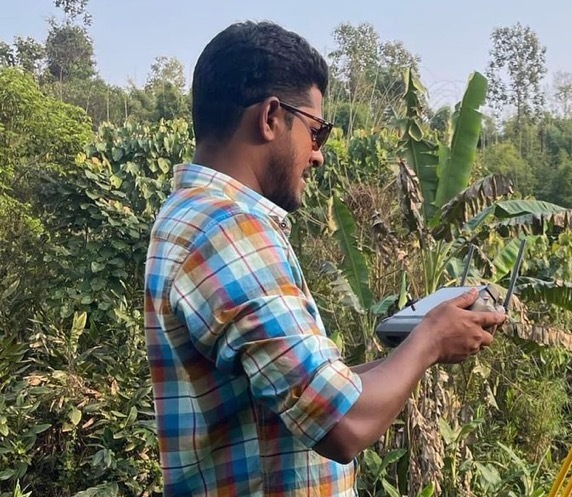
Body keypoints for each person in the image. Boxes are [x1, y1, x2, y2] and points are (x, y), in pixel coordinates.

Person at [143, 21, 505, 496]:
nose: (318, 156)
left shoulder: (190, 218)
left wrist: (415, 345)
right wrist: (432, 341)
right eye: (318, 132)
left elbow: (307, 393)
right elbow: (343, 424)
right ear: (271, 117)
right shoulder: (231, 230)